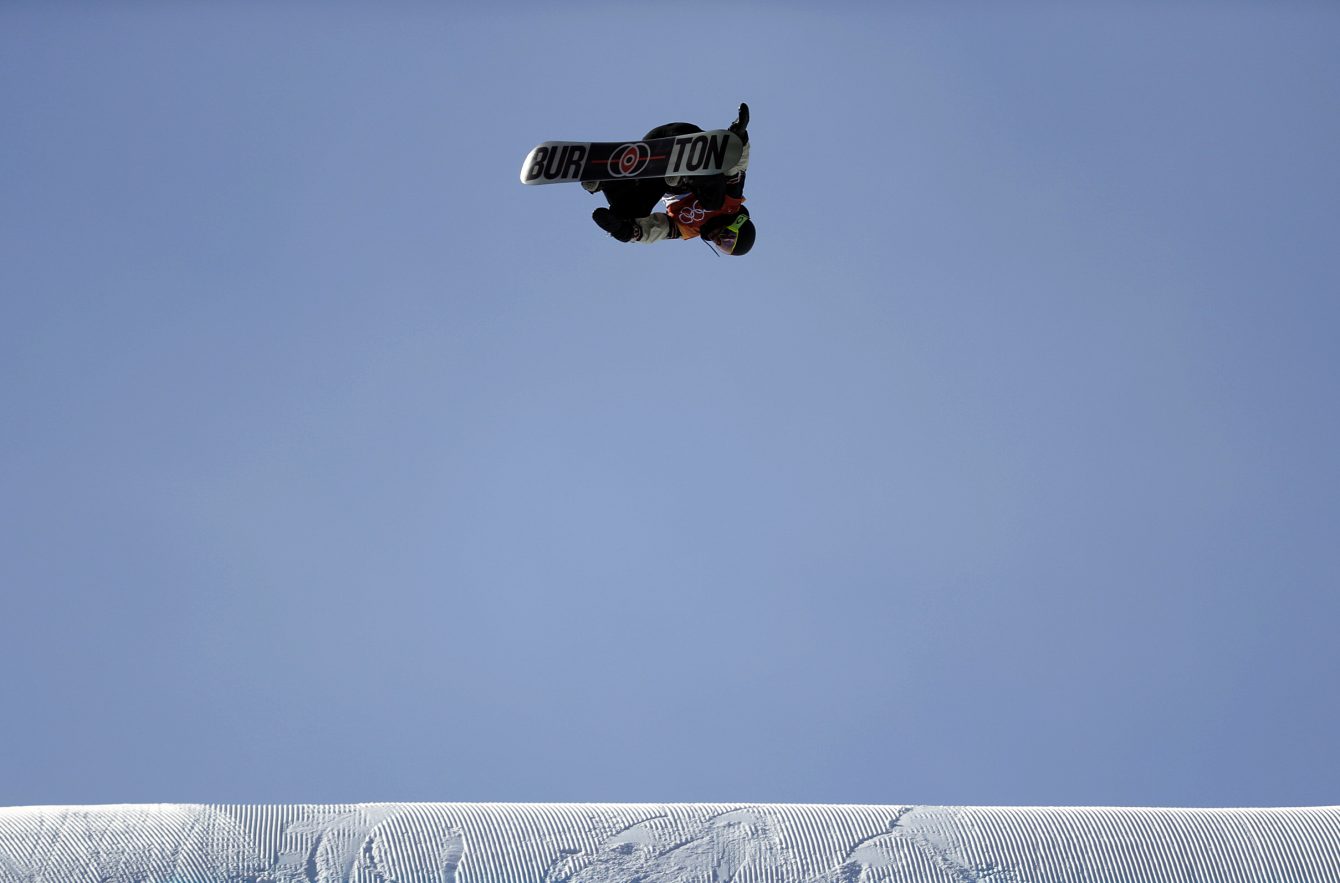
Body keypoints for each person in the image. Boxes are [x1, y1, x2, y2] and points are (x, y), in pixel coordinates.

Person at [587, 104, 755, 256]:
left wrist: (624, 231)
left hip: (655, 164)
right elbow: (737, 167)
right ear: (738, 224)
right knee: (715, 200)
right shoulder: (731, 203)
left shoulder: (689, 229)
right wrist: (739, 138)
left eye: (723, 247)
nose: (718, 241)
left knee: (634, 211)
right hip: (687, 141)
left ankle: (606, 181)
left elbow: (656, 230)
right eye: (728, 240)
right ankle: (685, 175)